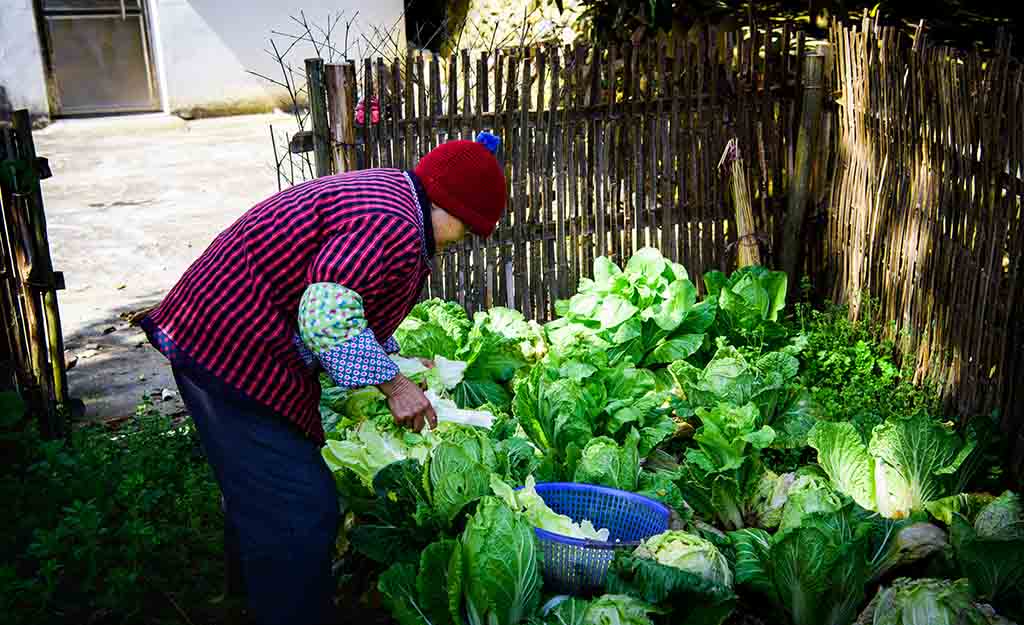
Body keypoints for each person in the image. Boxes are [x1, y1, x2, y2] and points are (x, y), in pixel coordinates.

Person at [140, 132, 506, 625]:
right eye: (466, 229)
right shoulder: (393, 223)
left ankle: (246, 600)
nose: (460, 243)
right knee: (299, 507)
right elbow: (325, 313)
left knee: (261, 492)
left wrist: (395, 358)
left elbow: (348, 293)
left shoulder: (392, 197)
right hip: (228, 346)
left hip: (222, 332)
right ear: (446, 205)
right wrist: (393, 385)